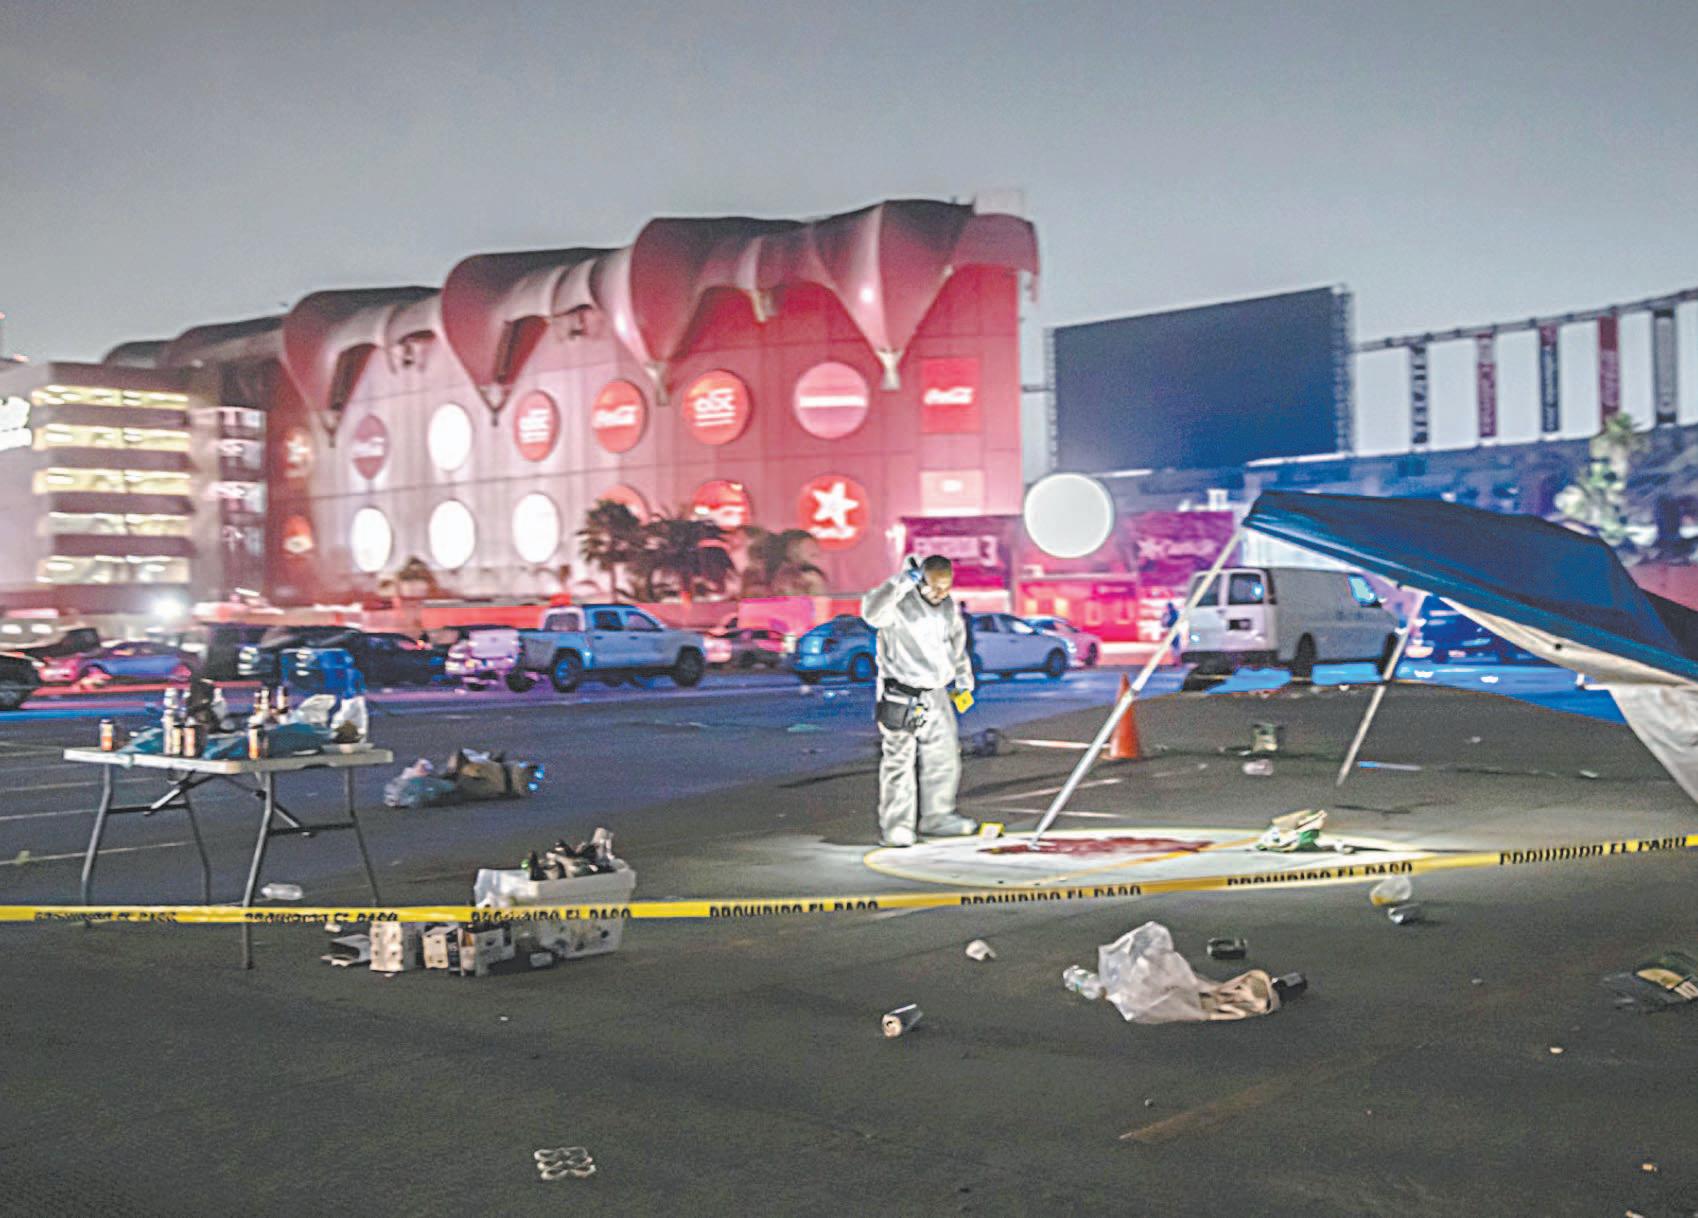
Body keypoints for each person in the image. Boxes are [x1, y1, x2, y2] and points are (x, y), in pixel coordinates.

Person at [860, 554, 977, 847]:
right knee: (899, 761)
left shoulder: (947, 606)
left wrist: (963, 680)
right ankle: (897, 825)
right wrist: (900, 584)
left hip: (936, 692)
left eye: (946, 588)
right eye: (934, 587)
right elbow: (871, 614)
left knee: (944, 756)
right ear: (920, 580)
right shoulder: (899, 602)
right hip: (902, 690)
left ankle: (938, 816)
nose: (940, 594)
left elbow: (956, 645)